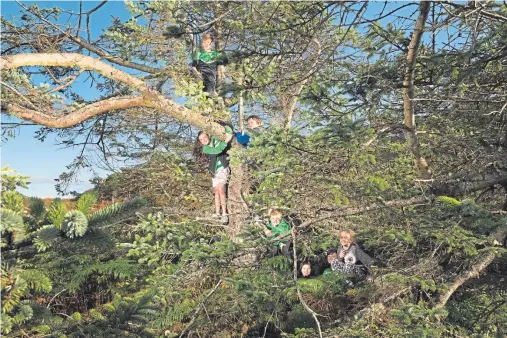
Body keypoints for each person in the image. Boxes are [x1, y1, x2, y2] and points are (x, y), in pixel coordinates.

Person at [194, 125, 234, 224]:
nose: (203, 140)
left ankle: (224, 213)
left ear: (208, 135)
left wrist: (227, 130)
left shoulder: (216, 138)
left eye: (204, 137)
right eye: (201, 139)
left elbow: (228, 132)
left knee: (221, 190)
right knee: (216, 191)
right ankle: (217, 213)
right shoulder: (206, 148)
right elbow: (217, 150)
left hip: (223, 169)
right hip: (214, 172)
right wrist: (225, 142)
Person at [191, 33, 228, 98]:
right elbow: (193, 67)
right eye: (204, 42)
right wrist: (197, 74)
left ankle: (212, 94)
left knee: (210, 93)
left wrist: (220, 78)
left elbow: (221, 68)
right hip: (200, 77)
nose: (206, 44)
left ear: (211, 43)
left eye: (208, 42)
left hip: (211, 79)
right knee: (199, 93)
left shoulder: (215, 54)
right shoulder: (199, 53)